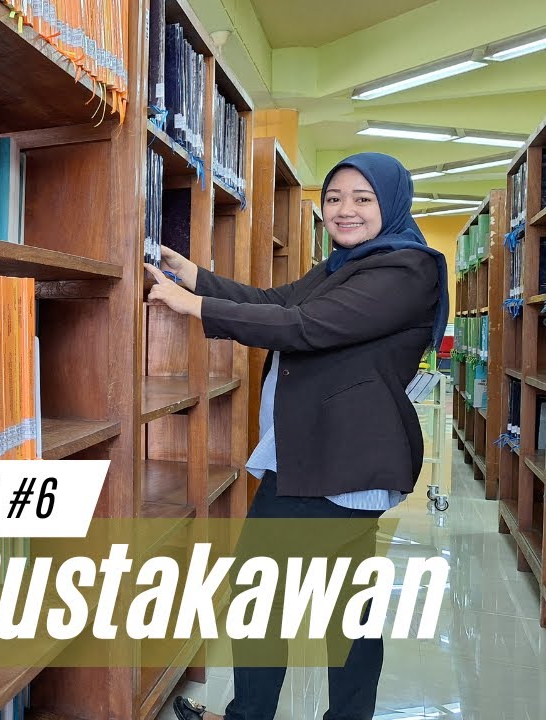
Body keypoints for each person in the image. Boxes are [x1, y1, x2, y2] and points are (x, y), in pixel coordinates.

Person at [151, 152, 449, 720]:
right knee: (347, 608)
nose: (344, 209)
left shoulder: (406, 269)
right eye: (334, 198)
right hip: (328, 458)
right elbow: (277, 303)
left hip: (333, 464)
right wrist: (194, 276)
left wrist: (195, 307)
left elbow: (305, 326)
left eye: (363, 198)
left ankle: (249, 716)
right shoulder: (345, 266)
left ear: (391, 203)